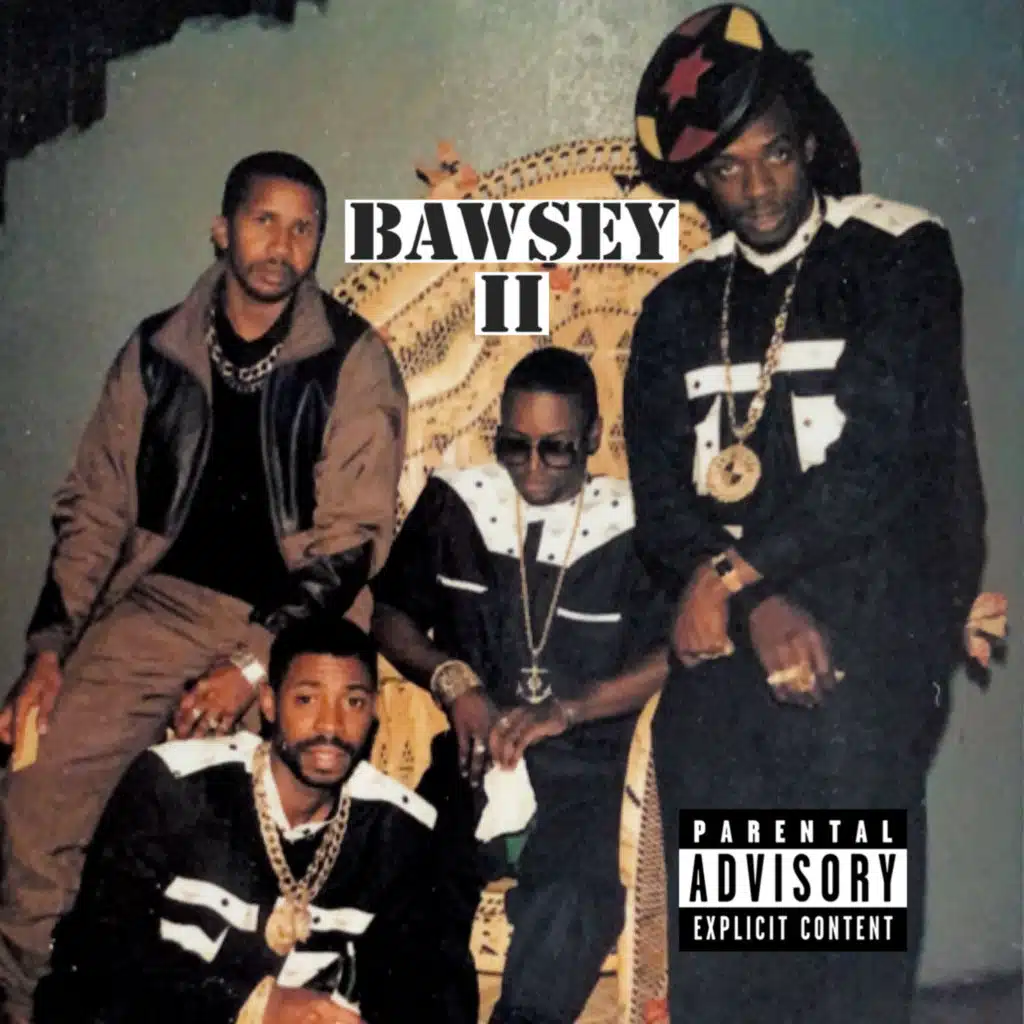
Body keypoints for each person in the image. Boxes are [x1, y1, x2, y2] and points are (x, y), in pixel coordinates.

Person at [624, 6, 991, 1023]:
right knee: (734, 964)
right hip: (735, 643)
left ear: (809, 139)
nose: (757, 189)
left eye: (775, 154)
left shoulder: (899, 251)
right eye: (727, 169)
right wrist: (751, 604)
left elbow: (885, 462)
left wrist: (745, 581)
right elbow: (662, 499)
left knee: (842, 964)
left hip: (867, 634)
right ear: (699, 179)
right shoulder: (677, 305)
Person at [0, 151, 408, 1023]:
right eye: (264, 221)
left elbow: (350, 546)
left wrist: (254, 664)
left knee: (222, 838)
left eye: (303, 229)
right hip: (159, 607)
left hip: (296, 624)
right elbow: (95, 510)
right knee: (37, 786)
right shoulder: (156, 351)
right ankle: (40, 1005)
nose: (282, 245)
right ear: (222, 230)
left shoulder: (353, 358)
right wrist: (48, 650)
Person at [371, 347, 670, 1024]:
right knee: (413, 885)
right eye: (515, 445)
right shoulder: (457, 503)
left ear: (592, 437)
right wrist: (453, 680)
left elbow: (672, 651)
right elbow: (389, 613)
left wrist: (570, 710)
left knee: (573, 899)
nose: (531, 468)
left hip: (582, 772)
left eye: (556, 449)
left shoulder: (636, 525)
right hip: (470, 760)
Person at [32, 615, 480, 1024]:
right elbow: (92, 954)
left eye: (354, 702)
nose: (331, 725)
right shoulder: (175, 784)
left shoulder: (402, 828)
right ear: (268, 702)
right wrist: (252, 1003)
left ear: (375, 710)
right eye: (306, 699)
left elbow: (433, 991)